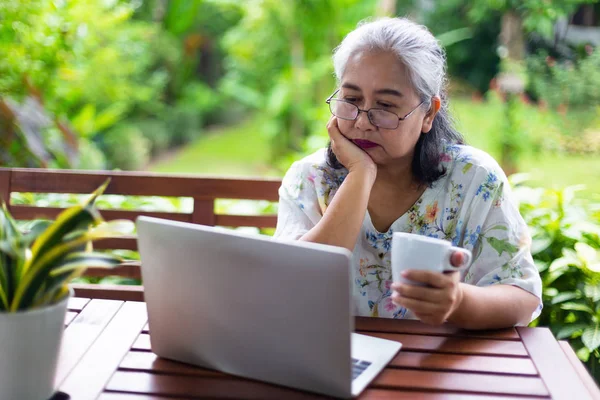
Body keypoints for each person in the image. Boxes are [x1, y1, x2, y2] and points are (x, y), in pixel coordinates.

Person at [274, 17, 542, 330]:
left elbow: (522, 296)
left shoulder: (474, 179)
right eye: (351, 99)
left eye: (385, 105)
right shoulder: (310, 178)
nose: (362, 121)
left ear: (428, 113)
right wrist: (360, 174)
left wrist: (458, 301)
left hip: (440, 366)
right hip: (333, 361)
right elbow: (291, 285)